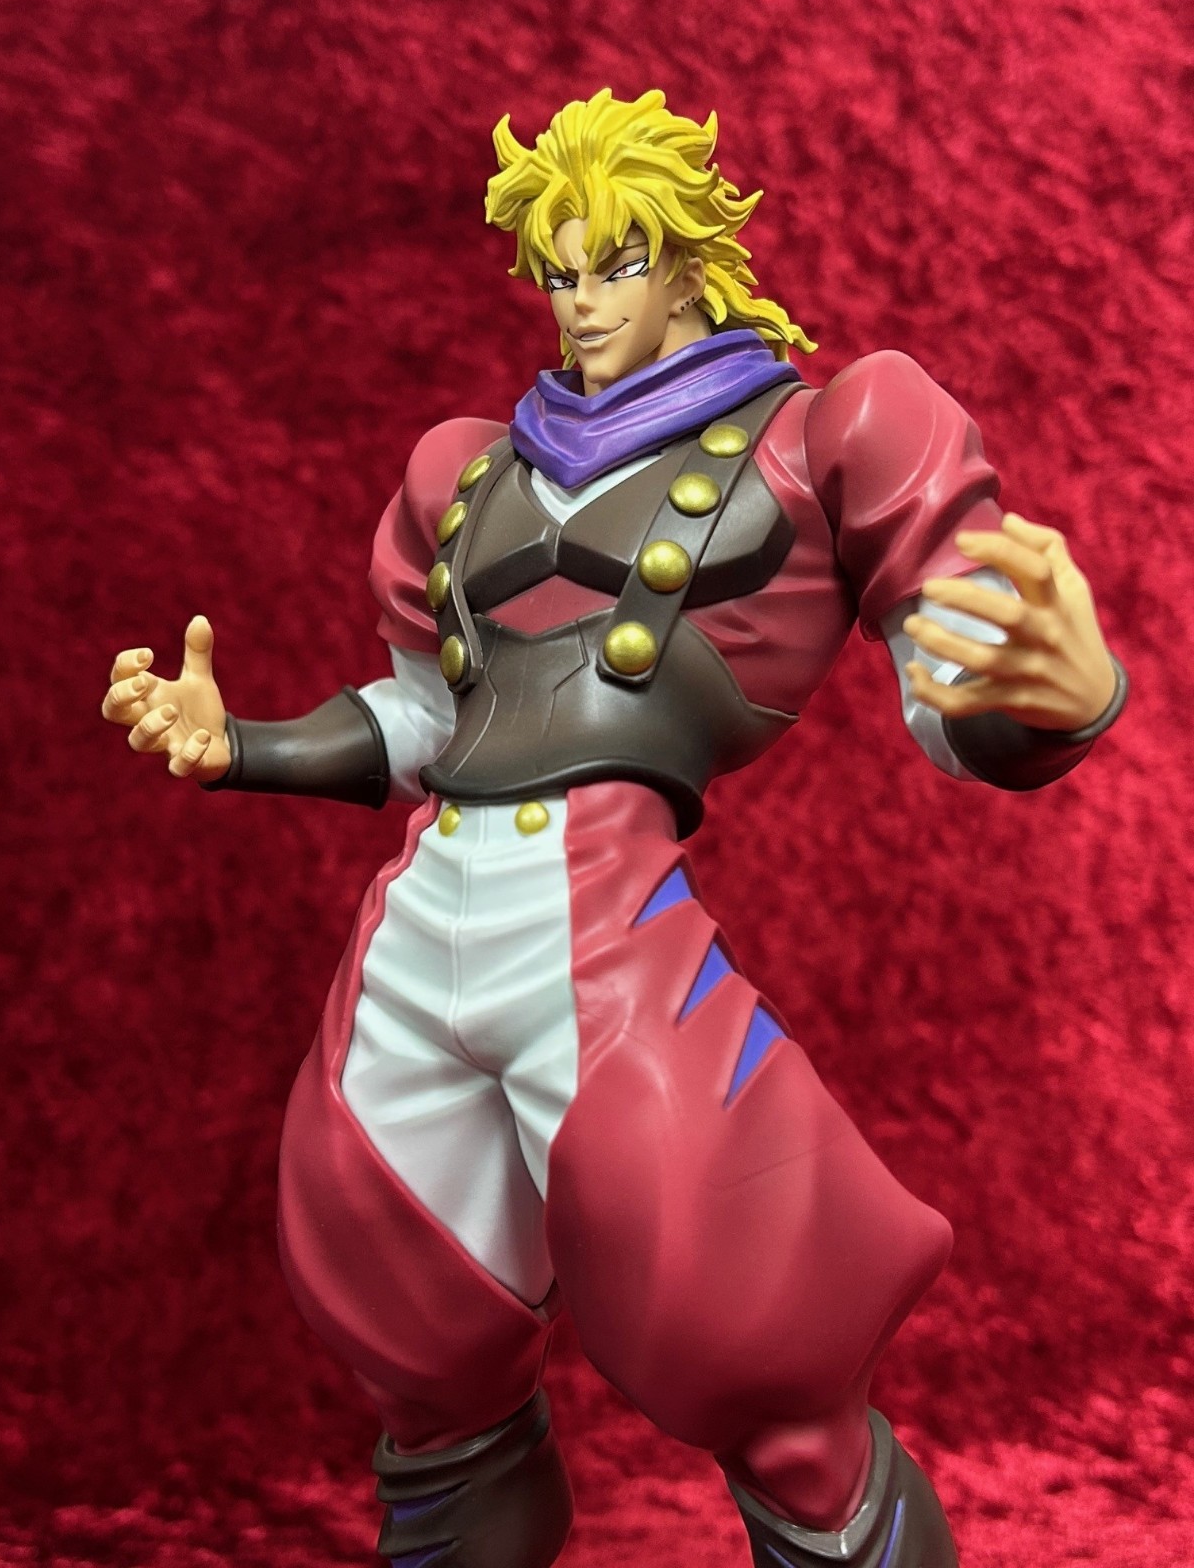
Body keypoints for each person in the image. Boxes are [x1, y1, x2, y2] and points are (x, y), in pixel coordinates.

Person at [102, 90, 1126, 1568]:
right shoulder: (466, 473)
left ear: (689, 261)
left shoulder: (827, 434)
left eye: (617, 263)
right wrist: (241, 745)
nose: (583, 301)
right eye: (560, 271)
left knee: (739, 1320)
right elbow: (424, 722)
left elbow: (958, 682)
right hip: (421, 929)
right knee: (408, 1328)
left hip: (599, 925)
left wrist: (1056, 700)